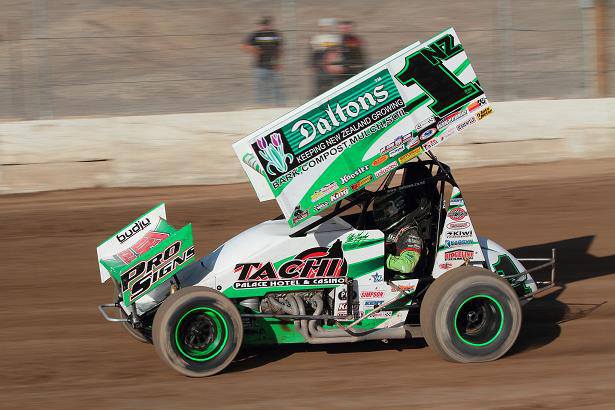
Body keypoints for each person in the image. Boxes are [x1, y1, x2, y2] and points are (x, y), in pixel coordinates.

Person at [373, 163, 436, 276]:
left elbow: (407, 266)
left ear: (398, 211)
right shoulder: (396, 227)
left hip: (399, 283)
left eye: (387, 212)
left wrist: (379, 259)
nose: (384, 214)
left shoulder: (410, 233)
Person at [242, 17, 284, 106]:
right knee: (260, 87)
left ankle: (280, 104)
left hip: (273, 64)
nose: (263, 27)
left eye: (265, 25)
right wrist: (253, 50)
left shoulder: (275, 34)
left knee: (277, 85)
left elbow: (280, 49)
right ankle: (261, 105)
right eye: (262, 25)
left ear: (269, 25)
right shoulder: (256, 34)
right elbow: (244, 45)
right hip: (259, 65)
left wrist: (279, 62)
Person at [309, 18, 341, 96]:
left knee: (331, 85)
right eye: (323, 26)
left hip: (331, 65)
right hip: (320, 65)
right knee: (319, 85)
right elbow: (314, 53)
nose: (325, 28)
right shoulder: (316, 39)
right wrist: (313, 65)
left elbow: (337, 53)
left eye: (326, 26)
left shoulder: (335, 38)